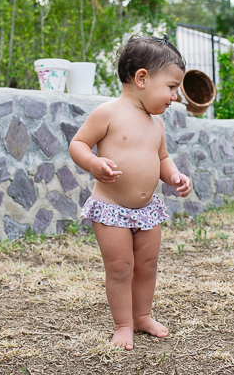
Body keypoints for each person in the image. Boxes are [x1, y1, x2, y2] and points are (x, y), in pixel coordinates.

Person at [69, 34, 191, 350]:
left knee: (147, 265)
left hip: (147, 209)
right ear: (141, 78)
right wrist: (93, 163)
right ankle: (123, 324)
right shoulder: (107, 113)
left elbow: (162, 159)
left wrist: (175, 176)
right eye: (171, 87)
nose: (175, 96)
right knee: (121, 267)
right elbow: (78, 144)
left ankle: (142, 316)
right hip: (111, 208)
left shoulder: (156, 124)